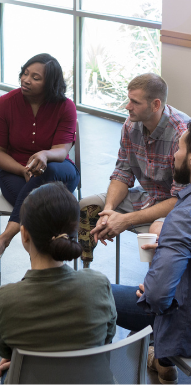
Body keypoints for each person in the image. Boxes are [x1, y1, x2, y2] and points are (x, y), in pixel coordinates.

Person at [0, 182, 116, 383]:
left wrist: (27, 362)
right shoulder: (99, 285)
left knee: (8, 370)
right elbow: (106, 338)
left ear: (24, 234)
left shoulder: (1, 301)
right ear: (74, 231)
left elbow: (5, 350)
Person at [79, 73, 190, 267]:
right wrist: (108, 211)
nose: (127, 106)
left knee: (154, 235)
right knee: (88, 206)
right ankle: (86, 274)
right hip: (147, 196)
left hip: (176, 206)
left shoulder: (181, 134)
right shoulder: (130, 126)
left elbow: (180, 199)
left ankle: (152, 292)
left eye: (134, 102)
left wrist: (126, 220)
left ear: (155, 105)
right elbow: (122, 173)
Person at [111, 122, 191, 385]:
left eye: (179, 150)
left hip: (186, 325)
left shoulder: (182, 218)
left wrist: (153, 285)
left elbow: (157, 297)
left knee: (97, 293)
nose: (174, 157)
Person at [0, 53, 80, 262]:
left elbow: (62, 151)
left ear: (50, 83)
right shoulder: (5, 103)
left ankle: (5, 238)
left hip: (58, 170)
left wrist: (45, 155)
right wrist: (23, 170)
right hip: (15, 171)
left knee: (48, 173)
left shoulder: (65, 106)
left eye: (36, 77)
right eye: (25, 73)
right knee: (44, 204)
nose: (26, 79)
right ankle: (52, 263)